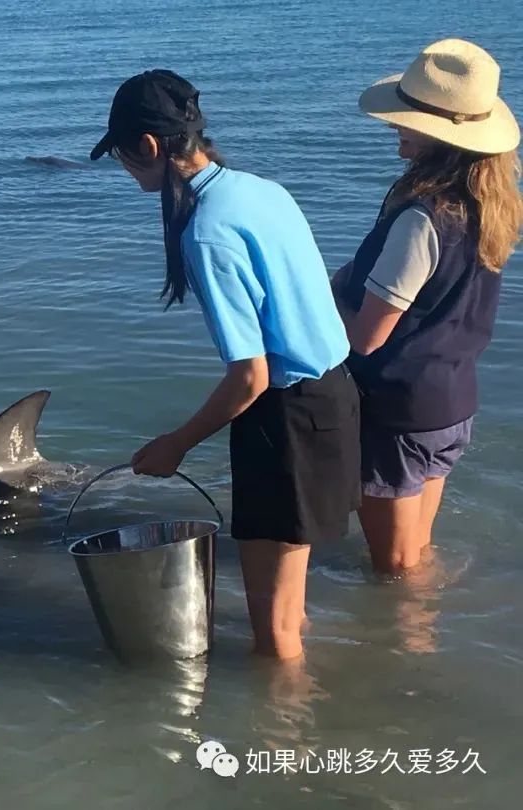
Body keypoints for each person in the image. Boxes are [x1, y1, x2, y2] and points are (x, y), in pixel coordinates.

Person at [90, 70, 360, 660]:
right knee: (293, 608)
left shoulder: (207, 232)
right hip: (335, 400)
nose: (127, 171)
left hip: (287, 420)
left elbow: (251, 376)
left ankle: (281, 741)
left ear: (150, 146)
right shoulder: (260, 189)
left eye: (122, 157)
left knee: (275, 638)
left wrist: (176, 445)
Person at [334, 39, 521, 575]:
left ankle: (406, 649)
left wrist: (315, 304)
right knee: (417, 556)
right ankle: (428, 637)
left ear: (435, 133)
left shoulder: (422, 218)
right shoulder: (490, 205)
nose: (395, 126)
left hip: (400, 413)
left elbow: (368, 335)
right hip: (452, 405)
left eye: (404, 118)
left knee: (392, 571)